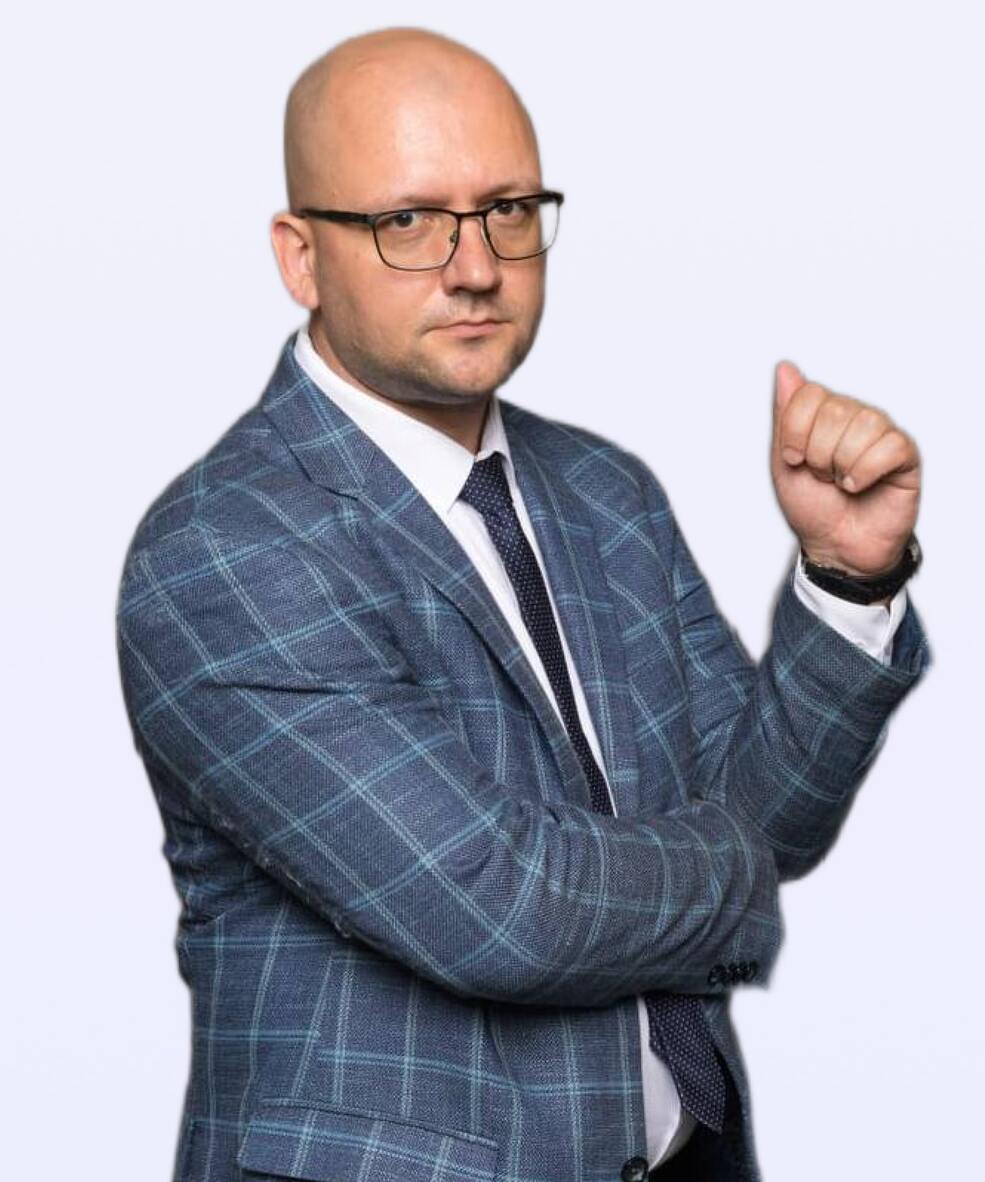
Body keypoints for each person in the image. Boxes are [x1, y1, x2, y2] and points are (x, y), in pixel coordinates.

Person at [115, 26, 929, 1182]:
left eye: (506, 210)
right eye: (408, 220)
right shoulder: (222, 550)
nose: (475, 266)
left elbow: (769, 817)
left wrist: (845, 578)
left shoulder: (604, 492)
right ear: (301, 258)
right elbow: (502, 909)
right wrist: (737, 874)